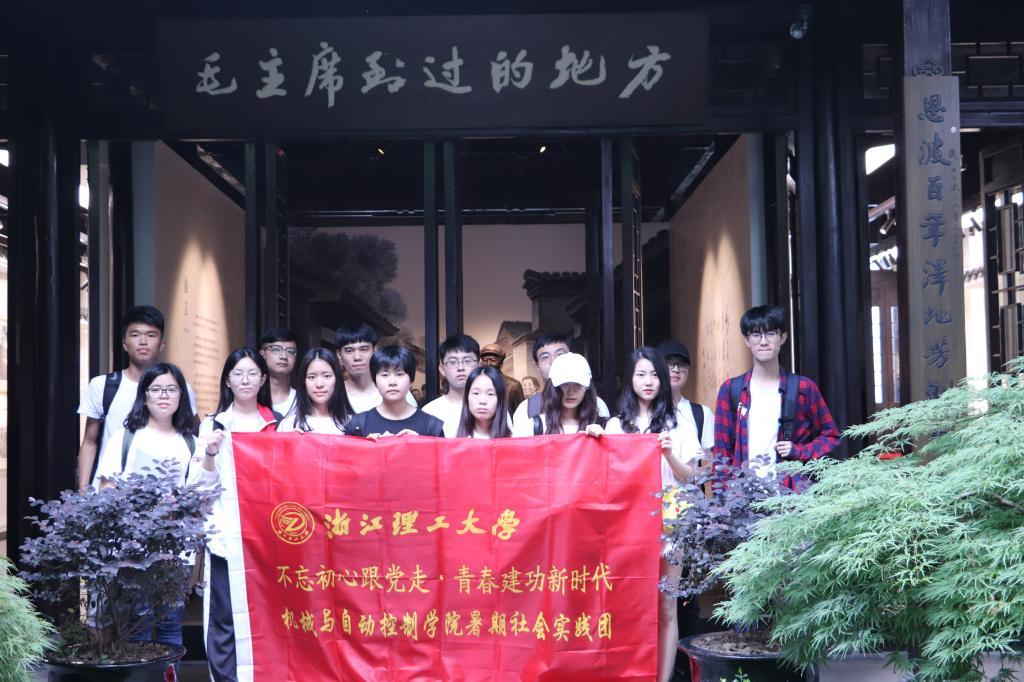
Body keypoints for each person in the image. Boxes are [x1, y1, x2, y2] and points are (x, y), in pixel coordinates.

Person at [94, 362, 217, 649]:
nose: (164, 395)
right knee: (135, 625)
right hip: (131, 548)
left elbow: (202, 494)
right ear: (144, 395)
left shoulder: (191, 442)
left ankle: (169, 672)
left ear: (181, 396)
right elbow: (106, 490)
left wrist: (179, 503)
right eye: (156, 389)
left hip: (175, 551)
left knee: (170, 624)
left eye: (171, 389)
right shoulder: (125, 438)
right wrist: (138, 504)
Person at [601, 348, 696, 682]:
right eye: (641, 374)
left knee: (666, 606)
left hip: (670, 524)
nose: (648, 381)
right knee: (627, 604)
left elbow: (692, 477)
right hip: (627, 528)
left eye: (655, 374)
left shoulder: (679, 422)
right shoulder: (615, 425)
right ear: (630, 379)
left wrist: (669, 455)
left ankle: (663, 678)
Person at [198, 348, 281, 682]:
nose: (245, 380)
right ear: (227, 381)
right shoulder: (213, 425)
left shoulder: (279, 425)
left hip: (269, 542)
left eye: (252, 373)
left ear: (263, 379)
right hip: (226, 538)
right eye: (237, 373)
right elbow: (198, 489)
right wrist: (209, 453)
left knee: (270, 617)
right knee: (223, 619)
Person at [713, 304, 840, 490]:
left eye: (771, 333)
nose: (763, 341)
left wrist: (800, 451)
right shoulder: (731, 390)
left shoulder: (803, 388)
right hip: (743, 496)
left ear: (783, 337)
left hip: (791, 494)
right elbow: (721, 453)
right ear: (746, 340)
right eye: (756, 335)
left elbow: (831, 436)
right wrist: (722, 498)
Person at [77, 305, 197, 492]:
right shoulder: (103, 386)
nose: (143, 341)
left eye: (151, 335)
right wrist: (83, 492)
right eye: (135, 335)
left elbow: (190, 431)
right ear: (125, 343)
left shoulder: (182, 389)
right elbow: (89, 441)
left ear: (162, 344)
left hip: (167, 495)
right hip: (110, 490)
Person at [655, 339, 712, 658]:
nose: (675, 370)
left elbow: (706, 469)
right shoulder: (642, 413)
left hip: (688, 519)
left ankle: (686, 667)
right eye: (669, 364)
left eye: (682, 365)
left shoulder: (700, 415)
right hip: (653, 518)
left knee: (687, 599)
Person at [510, 332, 609, 433]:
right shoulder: (526, 409)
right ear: (537, 366)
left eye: (560, 355)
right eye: (545, 357)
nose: (554, 361)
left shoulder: (598, 406)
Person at [345, 345, 445, 438]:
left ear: (411, 381)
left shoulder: (432, 427)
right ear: (375, 380)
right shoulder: (357, 425)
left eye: (399, 374)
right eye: (384, 375)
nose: (392, 382)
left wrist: (420, 443)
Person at [334, 323, 418, 413]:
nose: (357, 357)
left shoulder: (397, 392)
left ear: (374, 351)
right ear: (339, 355)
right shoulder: (331, 394)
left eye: (364, 349)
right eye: (349, 350)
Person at [277, 348, 353, 434]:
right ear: (303, 382)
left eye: (327, 376)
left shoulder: (353, 423)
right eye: (312, 377)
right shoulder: (288, 425)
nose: (319, 384)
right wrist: (289, 440)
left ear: (337, 379)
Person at [422, 335, 480, 437]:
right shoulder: (429, 412)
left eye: (467, 361)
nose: (460, 367)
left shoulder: (493, 408)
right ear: (442, 369)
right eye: (453, 362)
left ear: (478, 366)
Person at [455, 366, 512, 439]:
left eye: (490, 394)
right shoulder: (454, 439)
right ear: (467, 397)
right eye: (476, 393)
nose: (482, 401)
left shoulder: (512, 440)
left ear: (500, 398)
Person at [258, 328, 298, 417]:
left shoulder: (304, 402)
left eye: (290, 351)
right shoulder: (251, 399)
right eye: (276, 350)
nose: (284, 356)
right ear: (262, 355)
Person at [479, 343, 525, 415]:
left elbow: (522, 415)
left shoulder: (513, 386)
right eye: (485, 360)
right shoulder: (477, 384)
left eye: (493, 360)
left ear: (501, 363)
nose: (488, 363)